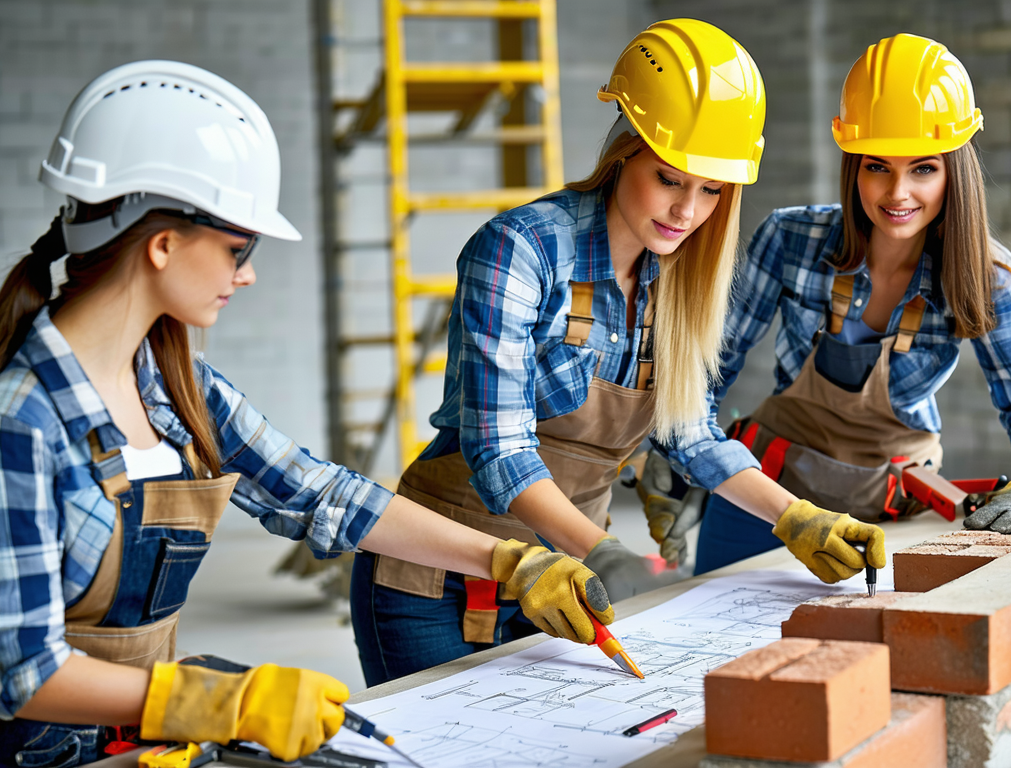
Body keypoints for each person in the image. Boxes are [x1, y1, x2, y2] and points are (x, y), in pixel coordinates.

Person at [0, 60, 609, 766]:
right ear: (163, 244)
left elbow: (325, 495)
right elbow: (21, 672)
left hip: (130, 732)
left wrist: (508, 559)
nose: (248, 272)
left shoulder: (177, 390)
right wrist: (220, 702)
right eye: (238, 248)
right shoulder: (12, 428)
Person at [349, 19, 889, 687]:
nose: (688, 211)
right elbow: (498, 448)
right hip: (440, 583)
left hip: (571, 580)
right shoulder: (522, 249)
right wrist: (604, 549)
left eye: (712, 190)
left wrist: (797, 518)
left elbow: (690, 435)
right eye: (669, 179)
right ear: (623, 150)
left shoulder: (682, 278)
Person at [637, 33, 1011, 576]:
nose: (897, 193)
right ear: (853, 165)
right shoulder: (790, 238)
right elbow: (705, 372)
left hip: (888, 509)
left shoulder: (986, 277)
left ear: (955, 172)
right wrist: (687, 458)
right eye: (878, 167)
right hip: (766, 497)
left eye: (923, 168)